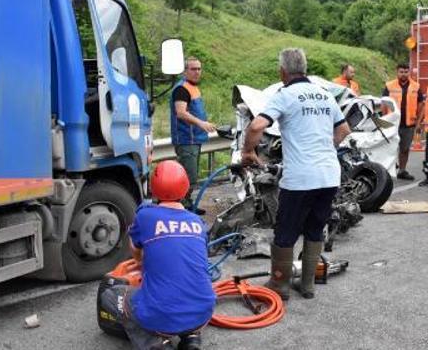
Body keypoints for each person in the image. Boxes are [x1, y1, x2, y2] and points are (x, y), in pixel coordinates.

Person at [241, 48, 351, 300]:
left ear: (283, 71)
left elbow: (257, 125)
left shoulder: (286, 94)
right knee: (314, 228)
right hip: (328, 175)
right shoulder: (325, 95)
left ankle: (279, 286)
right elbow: (344, 129)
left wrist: (248, 151)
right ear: (305, 68)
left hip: (301, 177)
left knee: (286, 231)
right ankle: (308, 285)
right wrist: (325, 148)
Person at [99, 160, 216, 350]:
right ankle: (191, 338)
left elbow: (136, 253)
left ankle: (156, 344)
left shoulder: (145, 216)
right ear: (185, 189)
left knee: (110, 296)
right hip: (203, 312)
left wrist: (143, 258)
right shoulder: (198, 222)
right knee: (188, 287)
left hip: (160, 315)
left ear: (153, 190)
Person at [170, 57, 216, 206]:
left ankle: (187, 205)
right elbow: (181, 113)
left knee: (190, 177)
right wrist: (202, 123)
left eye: (199, 69)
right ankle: (180, 207)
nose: (197, 72)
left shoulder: (193, 87)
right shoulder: (182, 89)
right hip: (186, 139)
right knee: (188, 176)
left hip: (195, 139)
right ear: (185, 71)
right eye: (193, 69)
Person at [383, 63, 424, 181]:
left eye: (406, 72)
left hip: (409, 124)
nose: (404, 74)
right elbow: (383, 103)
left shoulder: (416, 86)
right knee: (390, 148)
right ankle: (387, 171)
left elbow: (421, 105)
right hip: (392, 124)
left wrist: (418, 123)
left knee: (405, 149)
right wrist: (385, 120)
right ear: (397, 72)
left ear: (409, 72)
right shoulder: (389, 86)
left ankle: (402, 170)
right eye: (401, 72)